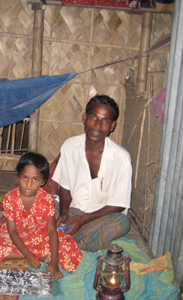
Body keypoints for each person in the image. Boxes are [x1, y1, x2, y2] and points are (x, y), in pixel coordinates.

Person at [0, 152, 82, 281]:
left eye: (35, 179)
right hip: (17, 235)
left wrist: (54, 262)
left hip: (41, 235)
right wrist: (28, 255)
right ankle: (38, 255)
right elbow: (12, 230)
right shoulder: (10, 198)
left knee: (69, 250)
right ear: (18, 176)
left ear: (43, 181)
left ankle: (40, 255)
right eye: (25, 178)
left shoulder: (46, 199)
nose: (29, 184)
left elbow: (51, 231)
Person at [52, 95, 132, 252]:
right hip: (74, 209)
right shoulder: (70, 146)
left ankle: (66, 239)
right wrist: (63, 212)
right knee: (42, 207)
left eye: (105, 121)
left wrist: (83, 219)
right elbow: (65, 186)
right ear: (84, 117)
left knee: (122, 223)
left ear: (112, 126)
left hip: (101, 216)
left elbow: (119, 203)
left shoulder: (121, 158)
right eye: (94, 117)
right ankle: (79, 240)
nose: (97, 125)